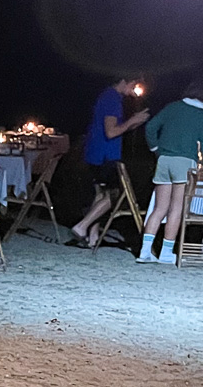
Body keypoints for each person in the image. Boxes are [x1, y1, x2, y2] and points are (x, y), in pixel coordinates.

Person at [70, 77, 149, 247]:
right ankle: (81, 226)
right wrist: (132, 121)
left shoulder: (109, 96)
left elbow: (117, 128)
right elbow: (111, 132)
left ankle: (93, 237)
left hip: (96, 152)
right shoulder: (112, 99)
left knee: (100, 195)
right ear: (124, 80)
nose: (135, 88)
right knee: (114, 195)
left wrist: (133, 123)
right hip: (105, 154)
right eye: (134, 84)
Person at [137, 82, 203, 263]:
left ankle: (144, 251)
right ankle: (166, 252)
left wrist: (156, 148)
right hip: (185, 162)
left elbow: (150, 127)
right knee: (176, 208)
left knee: (159, 208)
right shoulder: (200, 114)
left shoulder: (173, 107)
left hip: (163, 160)